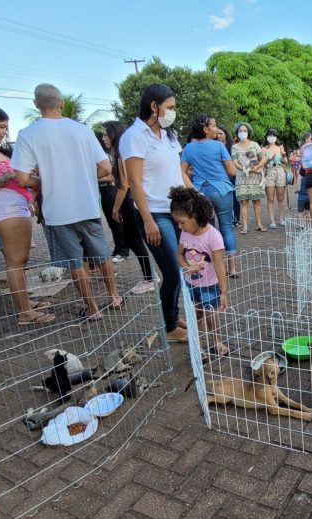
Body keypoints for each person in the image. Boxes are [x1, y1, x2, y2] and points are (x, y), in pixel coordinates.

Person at [13, 84, 122, 322]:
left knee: (75, 262)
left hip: (57, 210)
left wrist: (44, 180)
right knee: (102, 254)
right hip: (87, 206)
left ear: (36, 105)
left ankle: (92, 308)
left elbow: (21, 177)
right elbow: (105, 167)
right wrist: (82, 176)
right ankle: (114, 296)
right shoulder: (82, 131)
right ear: (61, 103)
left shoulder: (28, 134)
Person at [0, 104, 56, 325]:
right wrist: (12, 173)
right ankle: (25, 312)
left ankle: (25, 303)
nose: (4, 131)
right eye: (1, 126)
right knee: (16, 261)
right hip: (4, 209)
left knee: (20, 259)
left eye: (6, 127)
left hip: (13, 207)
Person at [120, 84, 192, 342]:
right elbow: (135, 181)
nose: (173, 112)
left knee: (178, 270)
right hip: (155, 214)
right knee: (173, 270)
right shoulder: (134, 136)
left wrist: (195, 196)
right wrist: (148, 220)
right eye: (170, 107)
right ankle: (170, 328)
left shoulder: (168, 135)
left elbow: (179, 172)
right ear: (154, 106)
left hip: (177, 213)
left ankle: (171, 316)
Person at [172, 186, 229, 362]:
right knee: (195, 315)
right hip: (191, 284)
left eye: (182, 222)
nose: (179, 226)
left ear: (195, 216)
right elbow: (180, 254)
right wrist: (186, 266)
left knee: (211, 315)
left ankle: (216, 342)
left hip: (210, 285)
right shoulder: (185, 234)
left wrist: (224, 292)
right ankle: (197, 346)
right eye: (177, 223)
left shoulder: (213, 236)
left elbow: (219, 266)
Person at [101, 121, 155, 295]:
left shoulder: (121, 155)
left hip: (129, 202)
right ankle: (150, 276)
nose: (103, 138)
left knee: (135, 240)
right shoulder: (120, 154)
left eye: (105, 134)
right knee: (134, 240)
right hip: (130, 201)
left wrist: (115, 208)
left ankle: (150, 278)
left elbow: (123, 186)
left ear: (114, 135)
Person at [181, 114, 238, 276]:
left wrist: (194, 185)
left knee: (207, 230)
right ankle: (232, 268)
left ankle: (211, 267)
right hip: (222, 190)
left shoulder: (188, 148)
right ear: (205, 129)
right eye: (213, 126)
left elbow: (182, 172)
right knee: (227, 227)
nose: (216, 129)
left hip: (200, 192)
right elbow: (232, 171)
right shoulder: (219, 146)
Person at [94, 130, 127, 263]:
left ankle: (122, 250)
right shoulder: (104, 156)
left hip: (110, 189)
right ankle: (118, 248)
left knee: (116, 221)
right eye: (102, 136)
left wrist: (92, 178)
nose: (103, 138)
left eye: (106, 135)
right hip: (104, 190)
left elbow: (112, 176)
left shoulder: (108, 157)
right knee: (112, 223)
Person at [231, 122, 267, 234]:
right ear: (237, 133)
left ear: (248, 132)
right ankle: (245, 226)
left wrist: (257, 167)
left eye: (245, 130)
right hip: (242, 178)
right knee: (243, 203)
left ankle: (260, 224)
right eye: (240, 131)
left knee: (257, 202)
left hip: (255, 177)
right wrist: (243, 169)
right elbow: (235, 162)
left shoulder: (255, 145)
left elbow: (264, 159)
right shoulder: (235, 147)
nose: (243, 133)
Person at [261, 128, 288, 229]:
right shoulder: (264, 149)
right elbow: (262, 163)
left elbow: (285, 160)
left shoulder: (280, 147)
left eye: (273, 135)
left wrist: (283, 153)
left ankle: (281, 219)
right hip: (269, 172)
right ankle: (272, 220)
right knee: (270, 198)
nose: (271, 138)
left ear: (276, 137)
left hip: (280, 171)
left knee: (281, 198)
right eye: (269, 135)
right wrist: (268, 160)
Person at [216, 125, 239, 228]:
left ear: (226, 134)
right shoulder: (215, 145)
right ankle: (228, 218)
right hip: (220, 176)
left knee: (235, 197)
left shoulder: (232, 146)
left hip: (232, 174)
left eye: (220, 133)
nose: (218, 135)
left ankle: (237, 219)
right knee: (224, 197)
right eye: (217, 133)